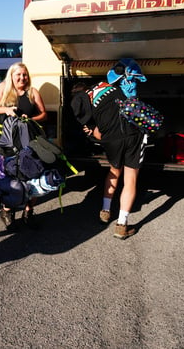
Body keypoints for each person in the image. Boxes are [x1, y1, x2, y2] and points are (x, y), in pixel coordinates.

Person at [71, 60, 147, 239]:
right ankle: (121, 225)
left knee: (114, 172)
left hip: (111, 140)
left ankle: (105, 211)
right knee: (130, 179)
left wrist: (94, 130)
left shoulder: (87, 106)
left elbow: (97, 134)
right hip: (132, 135)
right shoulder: (106, 85)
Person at [0, 62, 47, 229]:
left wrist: (31, 119)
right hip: (8, 144)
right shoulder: (4, 88)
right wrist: (5, 110)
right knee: (11, 177)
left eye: (24, 75)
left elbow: (43, 114)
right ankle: (7, 210)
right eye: (18, 75)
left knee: (32, 176)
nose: (22, 78)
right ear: (11, 75)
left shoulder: (32, 92)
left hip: (29, 142)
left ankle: (29, 210)